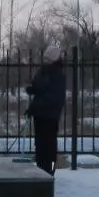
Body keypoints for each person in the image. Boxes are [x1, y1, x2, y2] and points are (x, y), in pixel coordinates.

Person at [25, 47, 67, 175]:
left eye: (48, 59)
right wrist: (33, 90)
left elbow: (52, 97)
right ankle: (41, 170)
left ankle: (50, 171)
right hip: (40, 116)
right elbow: (40, 87)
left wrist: (35, 107)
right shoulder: (43, 71)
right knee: (40, 146)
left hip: (50, 116)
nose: (46, 61)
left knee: (49, 148)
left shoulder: (58, 75)